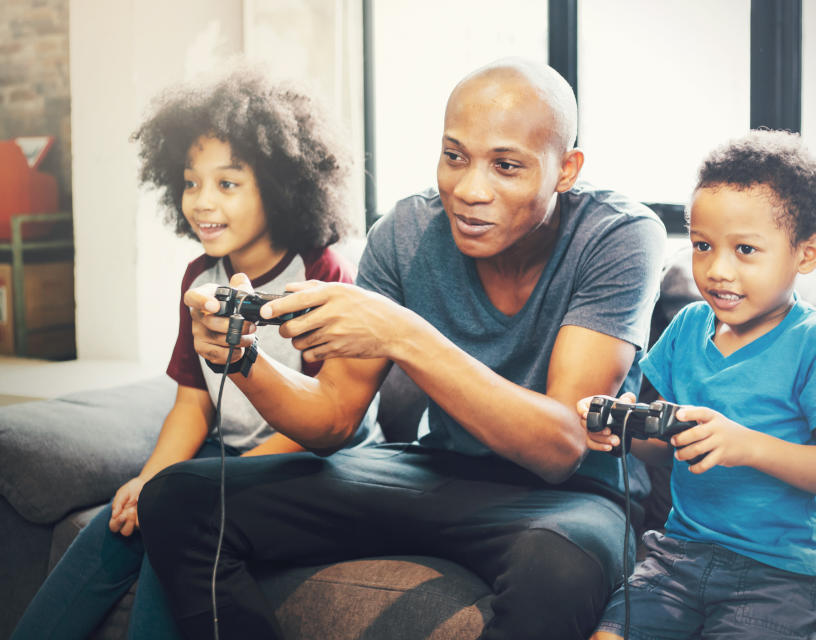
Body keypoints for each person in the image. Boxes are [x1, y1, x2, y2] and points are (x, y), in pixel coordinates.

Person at [135, 58, 668, 639]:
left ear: (565, 170)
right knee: (178, 501)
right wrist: (242, 360)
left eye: (506, 166)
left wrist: (402, 334)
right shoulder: (406, 231)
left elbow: (561, 446)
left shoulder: (619, 236)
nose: (469, 190)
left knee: (559, 572)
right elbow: (333, 418)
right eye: (455, 156)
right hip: (433, 471)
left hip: (567, 497)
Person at [11, 68, 378, 640]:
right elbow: (192, 405)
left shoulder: (322, 273)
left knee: (177, 529)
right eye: (189, 182)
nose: (201, 202)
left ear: (282, 186)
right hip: (224, 456)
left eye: (227, 184)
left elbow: (327, 422)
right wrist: (151, 478)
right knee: (113, 526)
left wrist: (183, 488)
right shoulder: (200, 277)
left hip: (314, 465)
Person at [581, 130, 816, 640]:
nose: (717, 270)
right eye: (702, 246)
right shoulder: (685, 329)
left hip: (778, 575)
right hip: (675, 557)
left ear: (806, 253)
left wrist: (746, 446)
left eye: (745, 249)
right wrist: (626, 433)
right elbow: (668, 450)